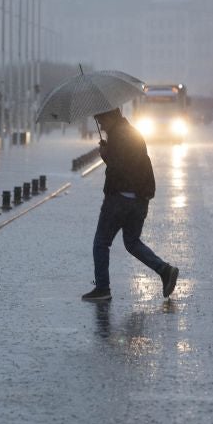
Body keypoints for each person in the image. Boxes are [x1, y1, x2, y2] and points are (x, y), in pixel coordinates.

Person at [82, 108, 179, 301]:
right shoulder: (133, 132)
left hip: (119, 199)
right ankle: (165, 270)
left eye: (101, 121)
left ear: (110, 117)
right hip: (139, 200)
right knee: (132, 242)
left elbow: (120, 168)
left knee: (101, 242)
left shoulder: (118, 137)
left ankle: (102, 288)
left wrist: (106, 155)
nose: (101, 125)